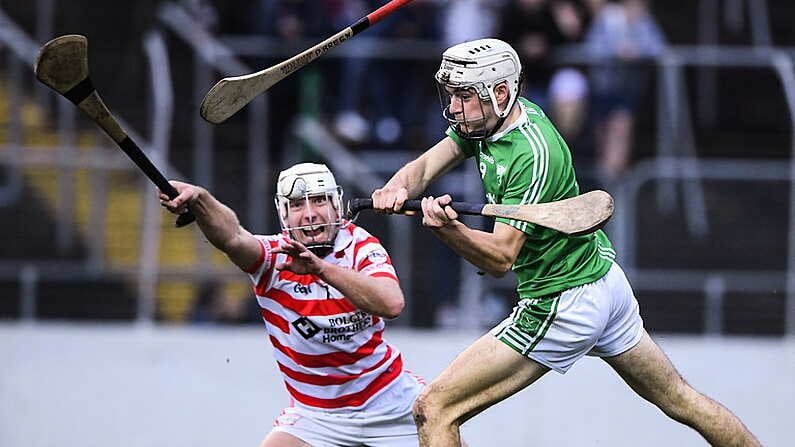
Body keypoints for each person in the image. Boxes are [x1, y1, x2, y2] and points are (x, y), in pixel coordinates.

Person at [371, 38, 761, 446]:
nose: (452, 107)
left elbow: (500, 259)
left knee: (433, 409)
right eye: (450, 94)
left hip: (562, 301)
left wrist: (447, 230)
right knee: (682, 400)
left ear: (499, 92)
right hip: (602, 279)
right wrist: (395, 188)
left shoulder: (529, 156)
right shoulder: (491, 120)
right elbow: (425, 166)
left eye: (463, 96)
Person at [160, 162, 424, 447]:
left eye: (320, 200)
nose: (310, 213)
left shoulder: (361, 246)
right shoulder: (275, 258)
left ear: (337, 206)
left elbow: (392, 302)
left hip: (390, 403)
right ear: (283, 213)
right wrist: (202, 199)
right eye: (297, 204)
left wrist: (320, 269)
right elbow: (233, 237)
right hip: (317, 417)